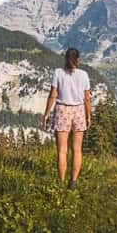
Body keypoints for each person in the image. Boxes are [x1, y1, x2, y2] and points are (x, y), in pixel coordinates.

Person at [42, 48, 91, 189]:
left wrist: (47, 113)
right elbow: (87, 98)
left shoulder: (58, 73)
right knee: (77, 149)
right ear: (78, 59)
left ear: (65, 58)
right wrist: (88, 115)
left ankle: (61, 181)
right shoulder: (84, 75)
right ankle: (73, 182)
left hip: (62, 110)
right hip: (79, 111)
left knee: (62, 150)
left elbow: (52, 95)